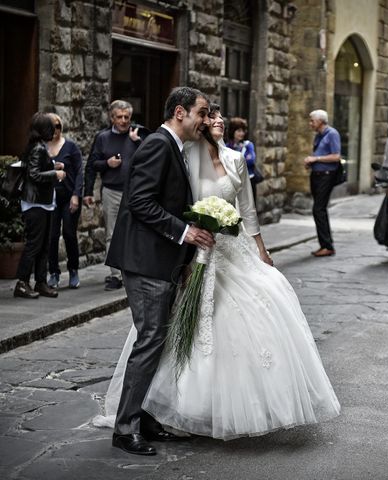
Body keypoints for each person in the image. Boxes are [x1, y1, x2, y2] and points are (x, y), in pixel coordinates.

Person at [99, 105, 340, 445]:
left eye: (217, 116)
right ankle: (145, 415)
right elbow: (159, 201)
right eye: (207, 115)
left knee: (254, 310)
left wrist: (261, 250)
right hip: (193, 250)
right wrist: (188, 236)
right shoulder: (184, 154)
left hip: (229, 247)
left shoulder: (236, 159)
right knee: (165, 333)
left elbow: (247, 209)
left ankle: (171, 413)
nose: (214, 120)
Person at [104, 87, 214, 456]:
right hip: (145, 262)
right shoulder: (156, 144)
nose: (205, 120)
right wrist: (186, 232)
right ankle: (125, 429)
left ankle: (145, 417)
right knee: (150, 339)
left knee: (157, 343)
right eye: (202, 113)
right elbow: (139, 202)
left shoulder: (175, 147)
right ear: (180, 112)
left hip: (162, 262)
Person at [90, 100, 146, 291]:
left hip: (134, 192)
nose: (123, 121)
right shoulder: (103, 137)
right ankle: (115, 275)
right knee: (112, 234)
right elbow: (93, 164)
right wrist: (107, 163)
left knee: (134, 233)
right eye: (119, 117)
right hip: (111, 191)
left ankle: (132, 272)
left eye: (127, 117)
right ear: (112, 118)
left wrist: (138, 142)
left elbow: (152, 157)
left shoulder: (138, 134)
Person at [14, 113, 66, 299]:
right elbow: (34, 175)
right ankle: (22, 283)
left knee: (44, 245)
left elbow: (36, 169)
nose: (53, 131)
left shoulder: (37, 147)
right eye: (50, 128)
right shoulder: (37, 148)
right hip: (36, 204)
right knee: (35, 245)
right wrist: (55, 174)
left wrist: (53, 165)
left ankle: (41, 282)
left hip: (43, 204)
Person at [46, 113, 83, 289]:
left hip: (69, 197)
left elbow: (79, 172)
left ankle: (73, 270)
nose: (55, 130)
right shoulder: (42, 148)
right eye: (51, 126)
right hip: (49, 198)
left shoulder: (71, 147)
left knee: (69, 233)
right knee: (52, 236)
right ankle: (53, 272)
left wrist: (76, 195)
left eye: (58, 126)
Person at [304, 109, 341, 257]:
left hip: (326, 176)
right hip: (317, 175)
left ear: (320, 121)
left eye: (312, 120)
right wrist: (311, 163)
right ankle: (325, 244)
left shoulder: (332, 134)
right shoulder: (319, 136)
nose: (310, 123)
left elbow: (336, 156)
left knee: (318, 209)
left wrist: (316, 159)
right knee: (319, 209)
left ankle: (327, 245)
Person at [226, 117, 259, 200]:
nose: (242, 133)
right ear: (232, 131)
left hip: (248, 181)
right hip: (233, 183)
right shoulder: (226, 147)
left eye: (243, 131)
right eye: (239, 131)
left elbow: (251, 160)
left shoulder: (248, 145)